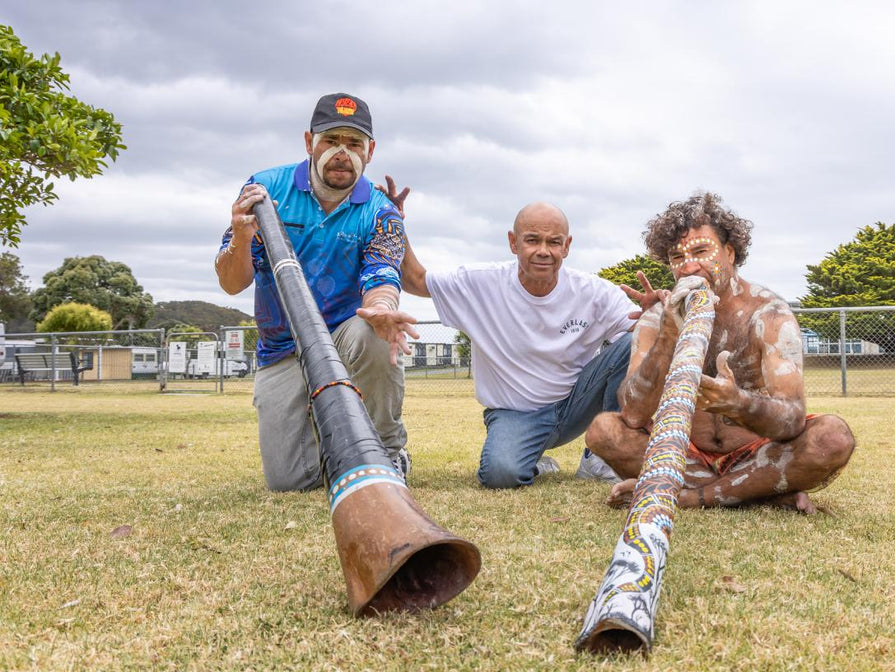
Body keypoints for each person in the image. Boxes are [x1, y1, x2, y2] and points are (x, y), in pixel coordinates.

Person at [585, 192, 855, 514]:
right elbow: (632, 415)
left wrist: (740, 403)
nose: (689, 267)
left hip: (759, 453)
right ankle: (754, 492)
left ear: (730, 252)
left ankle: (689, 496)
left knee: (832, 437)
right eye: (676, 257)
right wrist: (668, 337)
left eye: (701, 251)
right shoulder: (658, 318)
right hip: (686, 455)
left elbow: (792, 420)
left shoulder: (768, 314)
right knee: (604, 431)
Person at [215, 93, 417, 492]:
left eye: (355, 143)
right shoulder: (264, 189)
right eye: (331, 140)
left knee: (373, 335)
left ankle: (387, 452)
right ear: (310, 142)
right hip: (284, 348)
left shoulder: (380, 210)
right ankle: (331, 445)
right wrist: (240, 236)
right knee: (290, 482)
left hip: (343, 336)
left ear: (370, 151)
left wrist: (381, 308)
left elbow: (382, 276)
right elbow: (231, 282)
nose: (342, 152)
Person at [398, 200, 639, 489]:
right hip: (516, 413)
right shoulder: (480, 283)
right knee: (500, 475)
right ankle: (533, 460)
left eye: (554, 242)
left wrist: (659, 313)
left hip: (576, 402)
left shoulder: (593, 291)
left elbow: (645, 334)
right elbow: (415, 280)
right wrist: (394, 221)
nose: (543, 251)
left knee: (634, 340)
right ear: (513, 242)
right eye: (532, 240)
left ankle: (600, 457)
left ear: (567, 246)